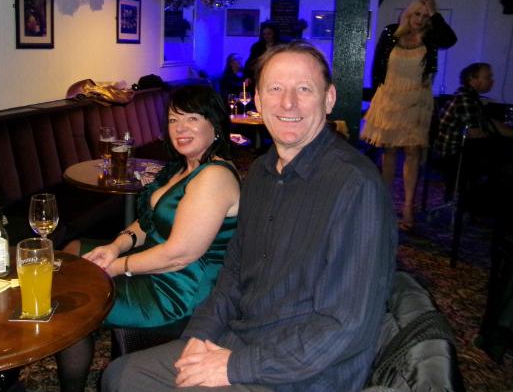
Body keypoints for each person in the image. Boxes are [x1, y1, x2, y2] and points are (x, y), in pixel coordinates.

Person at [103, 42, 397, 391]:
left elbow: (347, 324)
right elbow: (234, 270)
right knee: (121, 375)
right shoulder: (260, 172)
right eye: (275, 89)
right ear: (257, 100)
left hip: (304, 371)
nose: (288, 103)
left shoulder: (355, 185)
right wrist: (200, 334)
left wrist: (235, 366)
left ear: (329, 98)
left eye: (304, 89)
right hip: (243, 337)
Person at [57, 84, 241, 391]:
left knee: (76, 302)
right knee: (74, 250)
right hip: (157, 269)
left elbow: (178, 255)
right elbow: (149, 221)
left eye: (192, 118)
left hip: (177, 293)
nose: (180, 128)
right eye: (173, 119)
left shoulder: (214, 176)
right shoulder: (185, 167)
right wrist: (115, 246)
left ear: (215, 124)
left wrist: (115, 267)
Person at [362, 0, 457, 230]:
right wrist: (377, 96)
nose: (420, 19)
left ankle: (408, 207)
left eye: (425, 16)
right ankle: (385, 203)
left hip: (416, 99)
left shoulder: (431, 36)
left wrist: (434, 11)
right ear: (408, 13)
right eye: (417, 14)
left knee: (413, 152)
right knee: (389, 152)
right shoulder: (391, 32)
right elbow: (377, 65)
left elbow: (450, 39)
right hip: (390, 97)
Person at [435, 63, 513, 194]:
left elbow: (491, 124)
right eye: (488, 77)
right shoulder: (465, 99)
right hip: (453, 156)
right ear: (473, 79)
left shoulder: (470, 98)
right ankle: (476, 200)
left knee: (503, 156)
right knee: (505, 163)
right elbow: (475, 134)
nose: (492, 81)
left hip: (461, 151)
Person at [243, 22, 283, 89]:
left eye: (269, 34)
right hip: (261, 76)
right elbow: (250, 62)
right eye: (264, 34)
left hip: (278, 75)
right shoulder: (257, 47)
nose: (266, 36)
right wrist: (248, 76)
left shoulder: (281, 46)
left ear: (274, 33)